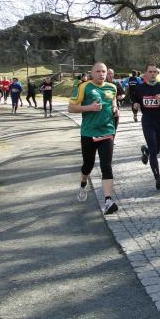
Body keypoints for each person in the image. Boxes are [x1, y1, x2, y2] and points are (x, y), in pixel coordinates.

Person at [68, 62, 119, 214]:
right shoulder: (84, 87)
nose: (101, 74)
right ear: (91, 73)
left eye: (104, 71)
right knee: (88, 165)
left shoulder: (112, 87)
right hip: (89, 133)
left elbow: (113, 101)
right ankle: (83, 184)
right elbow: (71, 107)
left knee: (106, 166)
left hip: (107, 132)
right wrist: (89, 108)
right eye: (98, 71)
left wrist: (115, 108)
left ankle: (108, 201)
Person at [132, 63, 160, 190]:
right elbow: (134, 100)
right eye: (150, 72)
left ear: (157, 73)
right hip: (147, 121)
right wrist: (135, 105)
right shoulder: (140, 88)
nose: (152, 74)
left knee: (156, 150)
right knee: (154, 151)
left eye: (155, 72)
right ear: (145, 74)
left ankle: (145, 151)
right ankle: (158, 179)